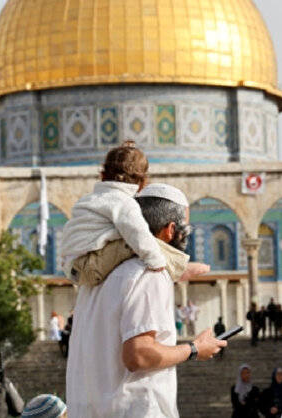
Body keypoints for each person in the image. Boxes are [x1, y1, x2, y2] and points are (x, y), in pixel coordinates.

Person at [66, 183, 225, 417]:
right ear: (171, 230)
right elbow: (138, 355)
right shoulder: (150, 271)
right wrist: (195, 349)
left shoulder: (95, 279)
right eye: (186, 230)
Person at [59, 143, 189, 287]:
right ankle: (180, 266)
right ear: (143, 183)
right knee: (140, 242)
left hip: (71, 265)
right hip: (89, 267)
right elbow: (137, 233)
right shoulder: (124, 203)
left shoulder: (88, 199)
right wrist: (155, 261)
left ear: (102, 176)